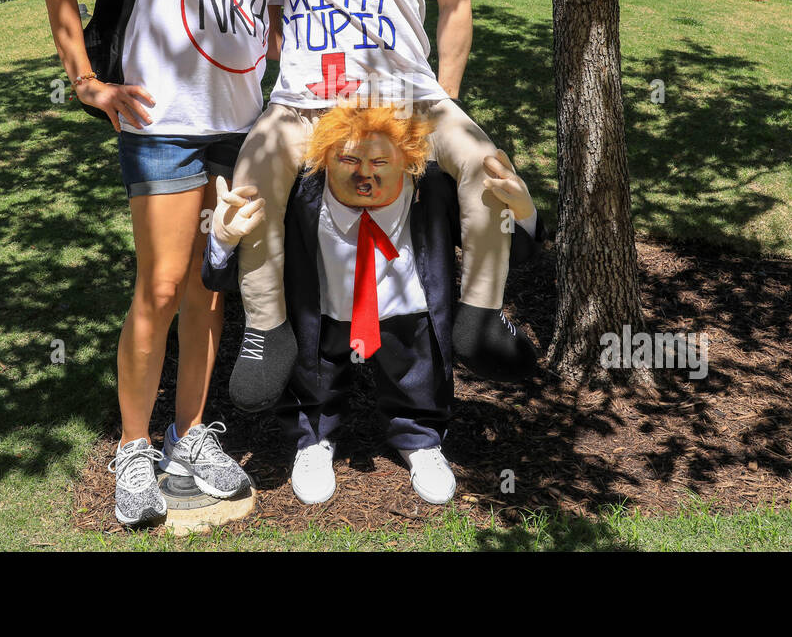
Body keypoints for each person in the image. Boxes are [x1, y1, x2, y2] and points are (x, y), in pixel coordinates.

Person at [223, 0, 538, 413]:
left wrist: (445, 96)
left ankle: (479, 317)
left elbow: (456, 3)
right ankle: (266, 330)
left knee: (487, 167)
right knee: (253, 172)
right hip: (311, 96)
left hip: (409, 91)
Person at [43, 0, 278, 526]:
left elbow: (260, 20)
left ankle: (187, 437)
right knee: (162, 286)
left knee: (210, 298)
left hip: (236, 132)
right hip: (163, 127)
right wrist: (87, 83)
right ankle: (135, 448)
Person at [202, 104, 544, 505]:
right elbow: (237, 268)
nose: (365, 173)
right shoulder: (302, 195)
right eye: (348, 159)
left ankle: (421, 437)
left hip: (407, 311)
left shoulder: (430, 192)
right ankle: (312, 439)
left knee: (418, 374)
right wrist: (223, 238)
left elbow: (500, 249)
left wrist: (523, 214)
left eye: (381, 161)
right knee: (313, 375)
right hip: (327, 310)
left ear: (407, 159)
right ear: (325, 159)